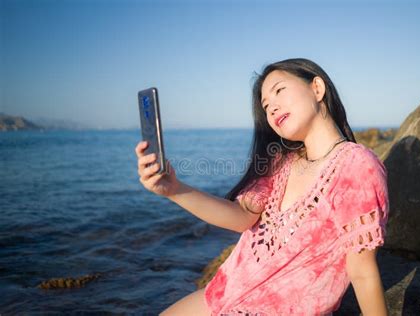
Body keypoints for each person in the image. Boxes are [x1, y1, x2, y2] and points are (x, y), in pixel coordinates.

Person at [135, 58, 389, 315]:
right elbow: (241, 216)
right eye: (266, 107)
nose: (273, 109)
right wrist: (174, 190)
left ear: (317, 88)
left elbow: (363, 273)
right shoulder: (281, 163)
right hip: (225, 292)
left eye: (279, 91)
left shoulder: (356, 165)